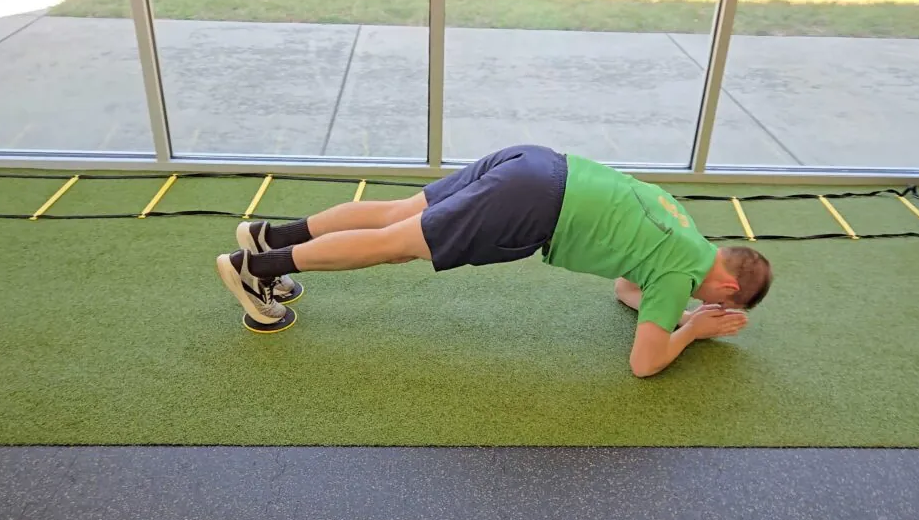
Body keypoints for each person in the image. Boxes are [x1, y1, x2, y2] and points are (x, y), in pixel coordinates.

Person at [215, 144, 772, 377]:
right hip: (532, 204)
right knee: (395, 244)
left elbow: (626, 290)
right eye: (721, 303)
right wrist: (691, 331)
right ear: (727, 287)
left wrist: (682, 314)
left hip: (536, 163)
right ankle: (255, 270)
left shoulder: (682, 228)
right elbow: (644, 364)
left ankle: (267, 237)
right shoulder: (680, 275)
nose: (709, 304)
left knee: (395, 214)